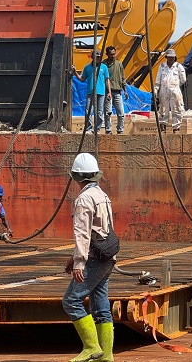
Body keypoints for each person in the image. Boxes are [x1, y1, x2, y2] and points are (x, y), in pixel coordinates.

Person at [62, 153, 116, 362]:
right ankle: (107, 356)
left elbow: (83, 233)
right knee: (101, 305)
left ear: (76, 176)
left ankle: (92, 348)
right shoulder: (101, 194)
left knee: (71, 301)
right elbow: (102, 229)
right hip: (106, 257)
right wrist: (74, 257)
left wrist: (79, 262)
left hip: (93, 259)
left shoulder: (84, 198)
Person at [73, 50, 111, 134]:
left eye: (99, 57)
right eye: (96, 57)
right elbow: (82, 79)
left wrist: (109, 92)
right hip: (90, 92)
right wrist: (75, 72)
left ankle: (97, 129)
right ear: (92, 57)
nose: (97, 59)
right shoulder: (87, 67)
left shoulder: (104, 67)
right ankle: (88, 128)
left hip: (101, 93)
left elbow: (107, 80)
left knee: (99, 112)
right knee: (88, 111)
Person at [154, 48, 186, 133]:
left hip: (175, 91)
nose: (171, 59)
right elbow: (158, 80)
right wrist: (155, 91)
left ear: (174, 57)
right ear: (166, 57)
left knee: (177, 109)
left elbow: (183, 80)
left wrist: (175, 86)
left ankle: (176, 128)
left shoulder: (178, 67)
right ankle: (163, 128)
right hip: (163, 91)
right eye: (169, 57)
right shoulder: (162, 66)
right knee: (163, 109)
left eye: (172, 57)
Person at [103, 45, 128, 135]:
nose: (113, 56)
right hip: (107, 92)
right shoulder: (104, 65)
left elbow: (123, 78)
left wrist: (125, 90)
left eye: (114, 54)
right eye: (111, 54)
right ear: (107, 54)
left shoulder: (119, 64)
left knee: (121, 113)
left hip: (117, 91)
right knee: (108, 113)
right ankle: (108, 130)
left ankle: (120, 130)